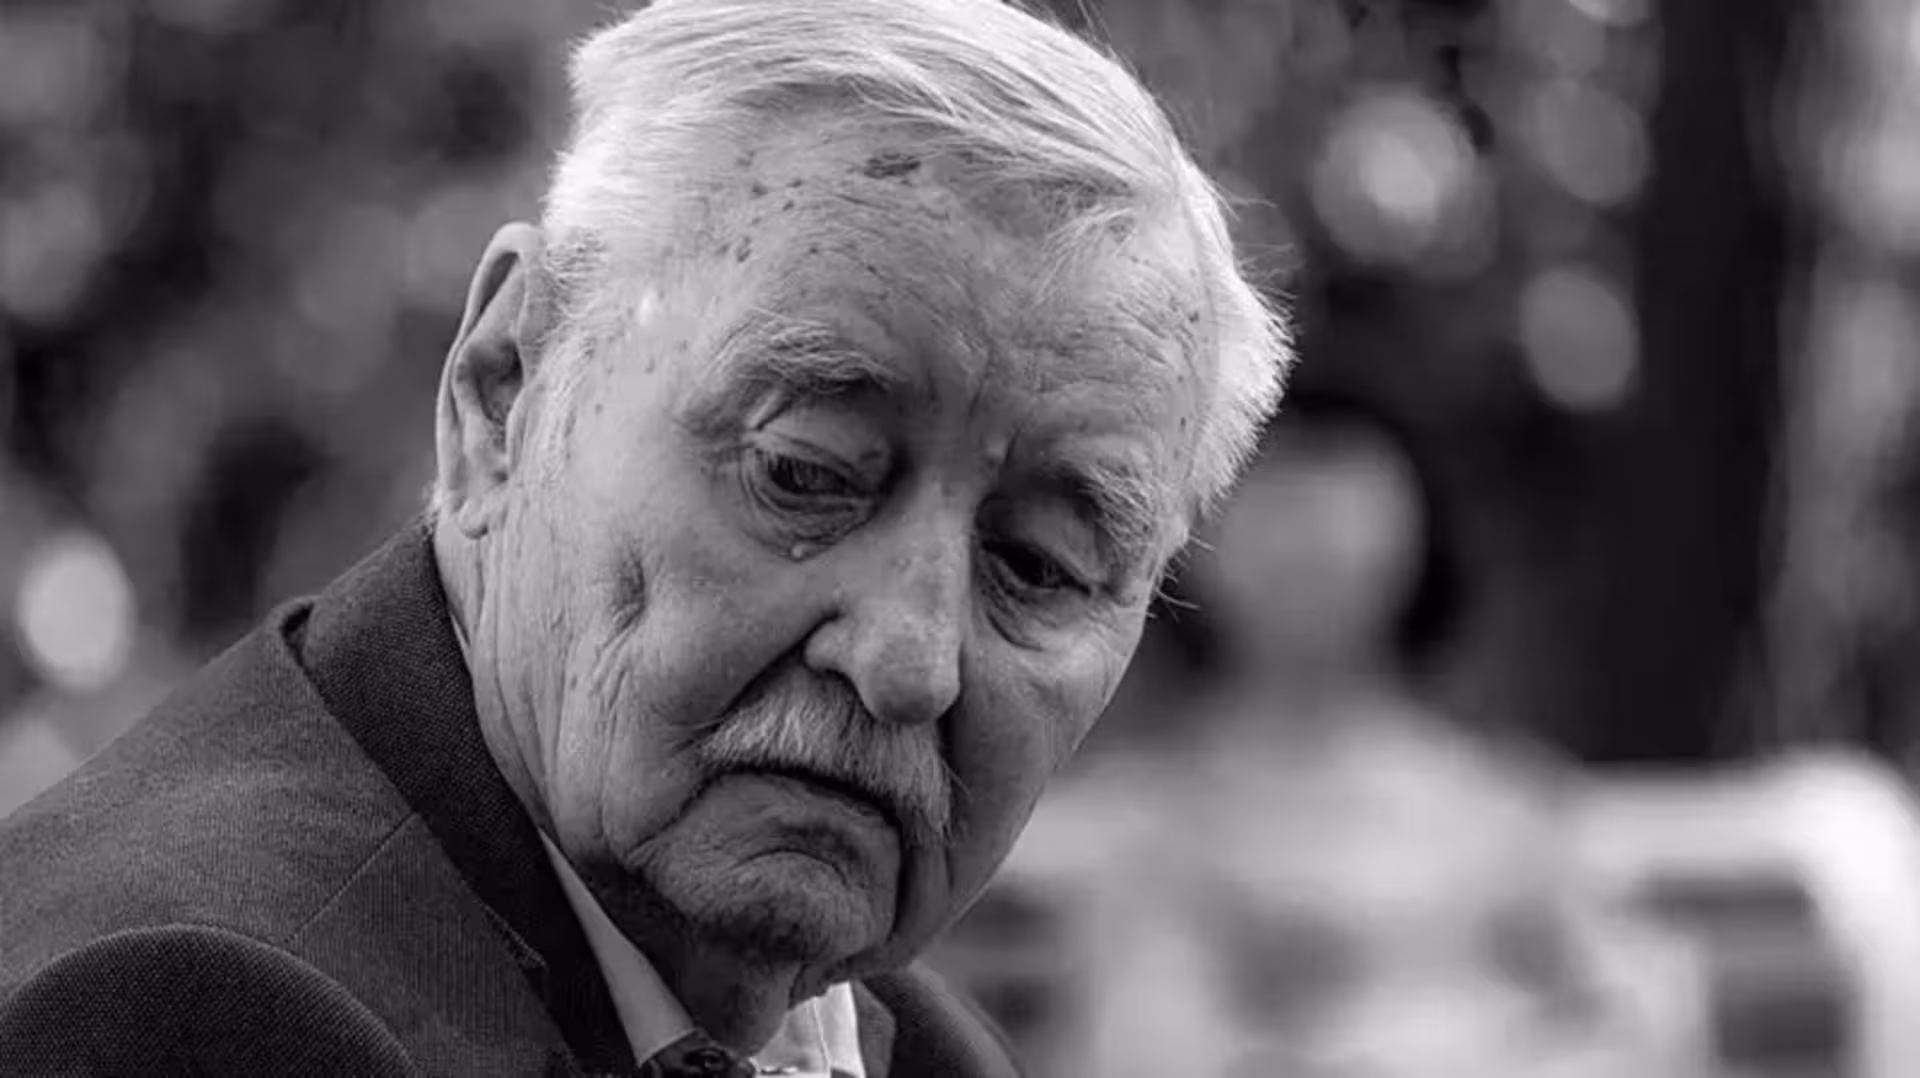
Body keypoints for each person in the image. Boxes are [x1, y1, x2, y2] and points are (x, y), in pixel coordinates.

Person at [0, 1, 1291, 1075]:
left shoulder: (913, 1046)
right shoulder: (193, 1012)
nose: (909, 659)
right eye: (806, 474)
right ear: (504, 390)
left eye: (1041, 566)